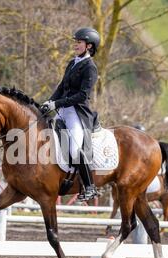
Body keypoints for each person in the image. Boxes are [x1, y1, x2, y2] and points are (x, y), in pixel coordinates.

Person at [41, 27, 100, 201]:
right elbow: (61, 87)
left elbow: (83, 95)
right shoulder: (72, 62)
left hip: (77, 113)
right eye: (75, 41)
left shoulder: (90, 67)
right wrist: (48, 103)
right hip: (62, 110)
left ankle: (89, 187)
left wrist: (57, 103)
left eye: (79, 42)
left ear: (89, 46)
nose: (75, 44)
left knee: (74, 149)